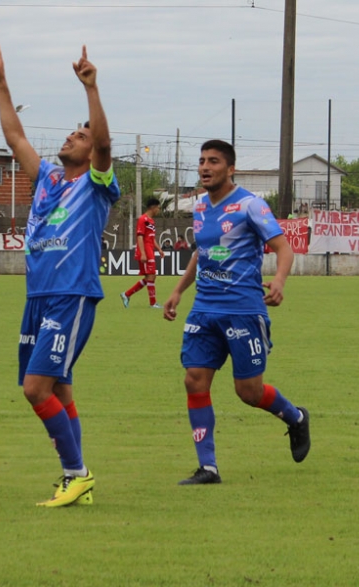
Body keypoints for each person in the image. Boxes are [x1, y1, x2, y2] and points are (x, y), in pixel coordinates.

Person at [0, 44, 120, 507]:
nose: (72, 137)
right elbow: (14, 136)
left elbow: (103, 145)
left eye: (78, 135)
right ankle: (77, 479)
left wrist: (92, 90)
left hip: (71, 295)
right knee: (59, 388)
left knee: (35, 388)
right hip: (38, 295)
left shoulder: (97, 182)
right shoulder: (46, 178)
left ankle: (76, 472)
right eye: (71, 133)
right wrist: (1, 83)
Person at [163, 139, 311, 486]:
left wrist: (279, 280)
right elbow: (202, 251)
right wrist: (178, 290)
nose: (205, 167)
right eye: (201, 161)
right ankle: (208, 468)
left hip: (243, 310)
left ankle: (296, 417)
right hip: (204, 309)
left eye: (213, 161)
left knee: (248, 392)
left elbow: (283, 248)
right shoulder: (200, 207)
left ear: (230, 169)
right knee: (193, 380)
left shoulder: (250, 205)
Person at [121, 197, 165, 309]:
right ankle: (153, 303)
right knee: (151, 275)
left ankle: (126, 294)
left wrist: (159, 249)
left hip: (150, 250)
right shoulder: (143, 219)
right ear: (153, 207)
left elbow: (151, 237)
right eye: (158, 208)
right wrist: (143, 253)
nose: (158, 210)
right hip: (145, 250)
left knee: (151, 276)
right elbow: (140, 237)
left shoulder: (151, 221)